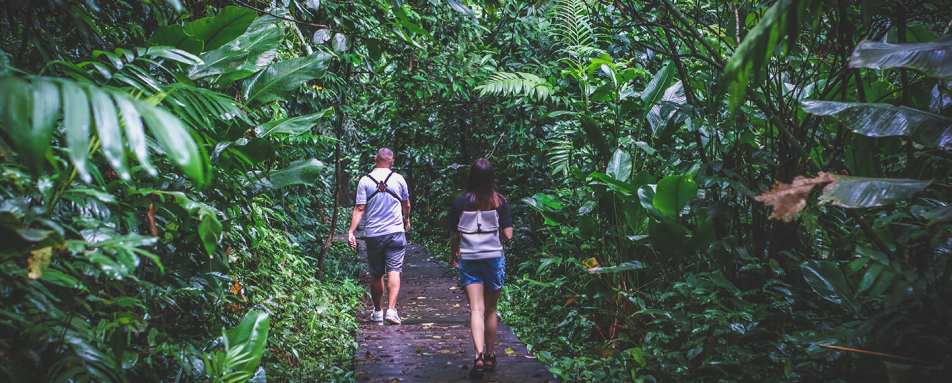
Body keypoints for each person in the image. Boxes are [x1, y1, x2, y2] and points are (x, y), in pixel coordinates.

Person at [448, 158, 513, 377]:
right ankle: (490, 355)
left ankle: (477, 356)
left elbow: (454, 234)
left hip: (470, 257)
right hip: (493, 257)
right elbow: (508, 235)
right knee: (491, 310)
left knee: (476, 309)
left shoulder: (460, 202)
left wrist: (453, 254)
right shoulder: (499, 202)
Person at [348, 148, 411, 325]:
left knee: (376, 274)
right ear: (392, 161)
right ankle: (391, 310)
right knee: (394, 270)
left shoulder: (365, 181)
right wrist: (406, 220)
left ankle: (377, 311)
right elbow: (406, 204)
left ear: (375, 159)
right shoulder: (398, 179)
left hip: (374, 234)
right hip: (395, 232)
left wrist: (351, 231)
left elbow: (360, 208)